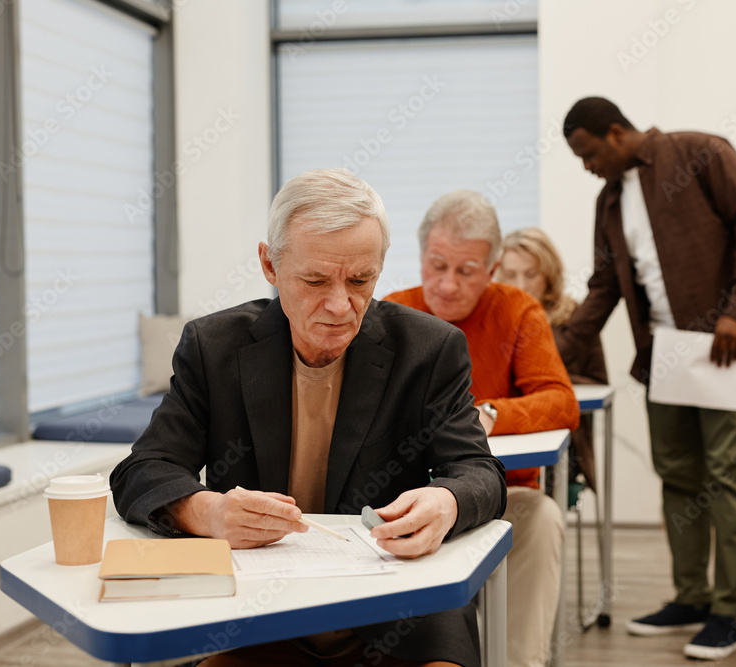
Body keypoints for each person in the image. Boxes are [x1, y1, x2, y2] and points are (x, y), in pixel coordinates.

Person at [109, 169, 507, 667]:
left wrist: (446, 499)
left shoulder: (429, 349)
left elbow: (479, 472)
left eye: (361, 280)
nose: (341, 306)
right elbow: (143, 470)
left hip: (399, 608)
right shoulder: (214, 348)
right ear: (270, 265)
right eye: (316, 280)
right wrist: (206, 512)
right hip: (261, 614)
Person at [558, 97, 736, 660]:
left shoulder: (702, 151)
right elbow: (605, 286)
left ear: (614, 133)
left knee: (731, 476)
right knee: (679, 473)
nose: (585, 167)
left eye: (588, 154)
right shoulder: (610, 199)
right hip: (663, 352)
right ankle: (693, 598)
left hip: (726, 343)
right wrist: (553, 349)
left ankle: (731, 615)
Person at [383, 191, 580, 667]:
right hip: (405, 498)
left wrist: (490, 416)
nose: (447, 285)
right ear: (421, 256)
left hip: (501, 496)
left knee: (544, 516)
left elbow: (561, 401)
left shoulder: (517, 311)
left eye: (466, 271)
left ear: (491, 270)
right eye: (436, 265)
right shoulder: (391, 313)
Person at [497, 228, 608, 490]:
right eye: (511, 275)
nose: (521, 285)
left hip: (558, 441)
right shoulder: (493, 319)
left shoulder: (574, 318)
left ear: (549, 275)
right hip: (503, 432)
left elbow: (598, 383)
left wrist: (544, 383)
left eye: (531, 275)